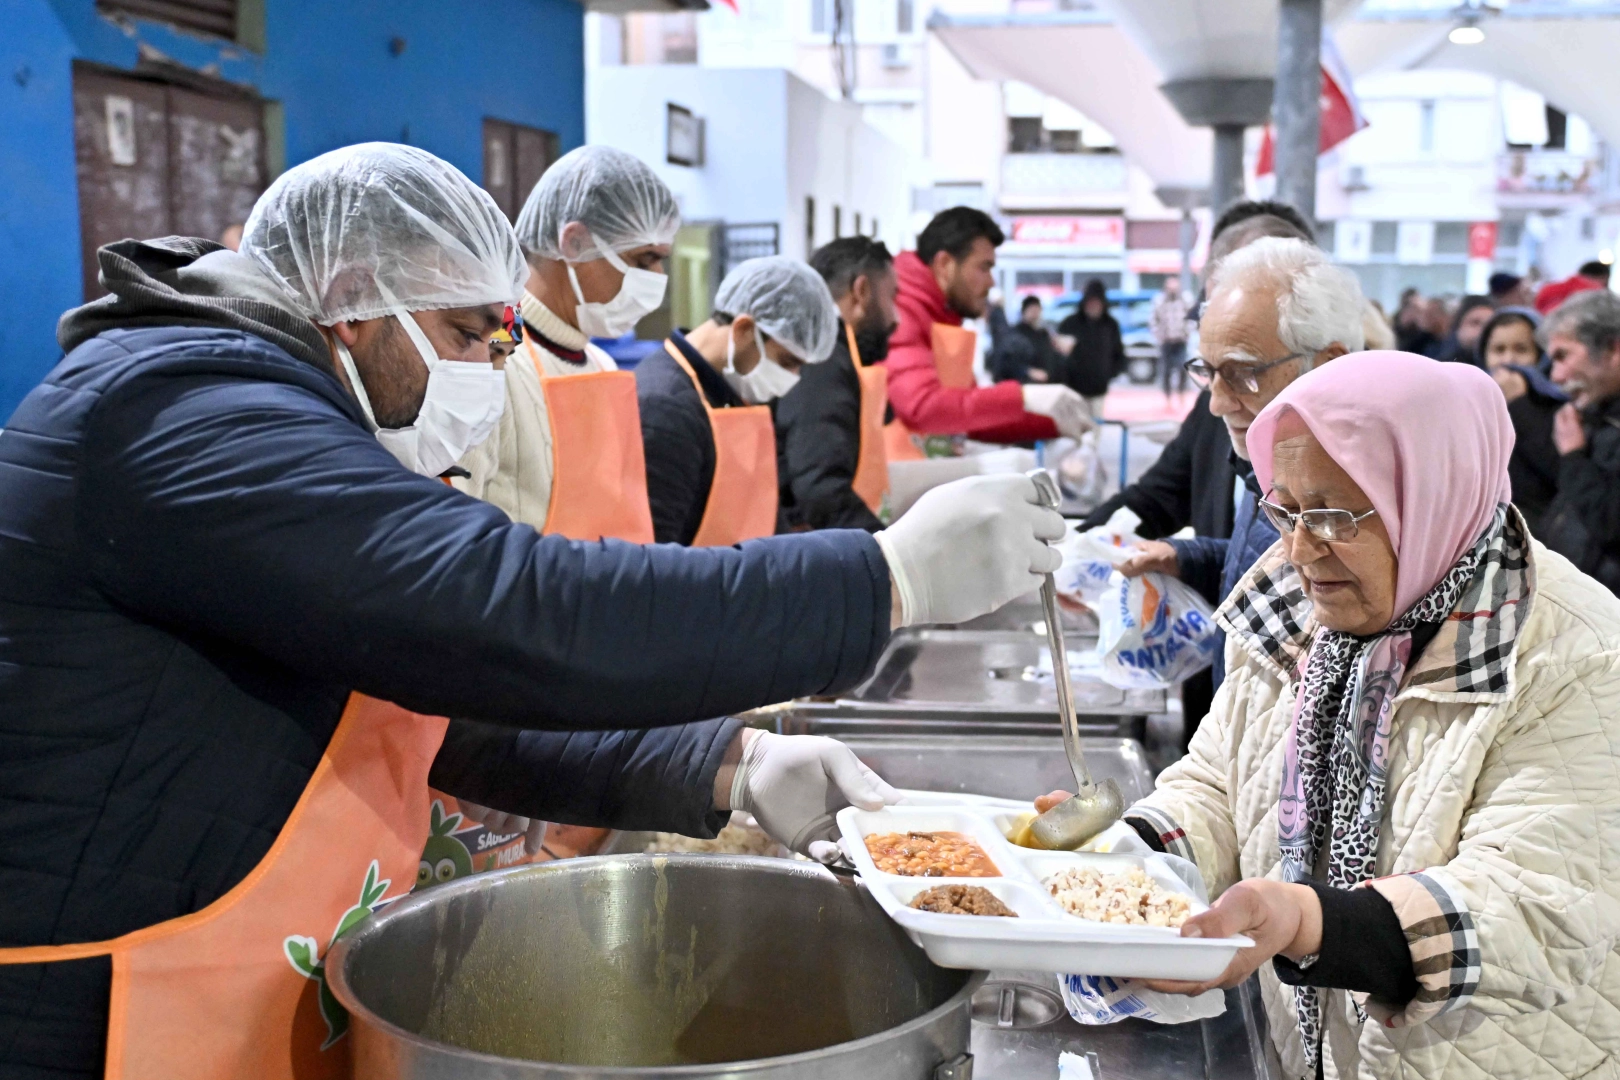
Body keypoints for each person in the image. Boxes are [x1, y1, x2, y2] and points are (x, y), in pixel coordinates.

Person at [0, 143, 1069, 1077]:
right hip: (88, 1018)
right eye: (467, 337)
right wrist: (880, 580)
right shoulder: (188, 408)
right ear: (357, 299)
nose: (484, 372)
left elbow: (445, 708)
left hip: (213, 976)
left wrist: (724, 764)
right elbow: (507, 609)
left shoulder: (243, 398)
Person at [1044, 353, 1620, 1080]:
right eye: (1284, 511)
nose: (1298, 548)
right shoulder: (1294, 601)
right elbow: (1222, 781)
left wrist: (1307, 922)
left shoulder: (1575, 656)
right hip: (1311, 1050)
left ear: (1432, 497)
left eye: (1333, 516)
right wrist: (1127, 858)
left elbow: (1540, 907)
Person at [1080, 202, 1318, 739]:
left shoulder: (1356, 443)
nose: (1219, 397)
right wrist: (1081, 546)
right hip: (1218, 695)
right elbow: (1164, 498)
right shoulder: (1220, 402)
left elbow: (1307, 571)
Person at [1119, 237, 1365, 695]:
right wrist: (1187, 558)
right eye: (1207, 371)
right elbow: (1272, 568)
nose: (1216, 403)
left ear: (1328, 364)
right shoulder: (1271, 460)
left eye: (1243, 373)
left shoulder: (1362, 502)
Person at [454, 145, 677, 538]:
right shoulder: (490, 363)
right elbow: (456, 533)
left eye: (662, 260)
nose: (658, 278)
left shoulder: (601, 365)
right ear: (574, 243)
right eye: (644, 260)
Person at [638, 256, 838, 545]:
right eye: (787, 362)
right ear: (744, 329)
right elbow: (654, 556)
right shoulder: (665, 407)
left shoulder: (728, 394)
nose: (793, 378)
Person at [886, 206, 1091, 446]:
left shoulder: (942, 314)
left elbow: (966, 416)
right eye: (984, 267)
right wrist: (1022, 396)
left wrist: (1055, 423)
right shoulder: (899, 311)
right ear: (944, 264)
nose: (991, 282)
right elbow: (922, 407)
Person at [775, 236, 899, 533]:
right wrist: (887, 548)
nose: (896, 318)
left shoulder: (829, 353)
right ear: (861, 292)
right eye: (892, 297)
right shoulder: (823, 360)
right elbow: (820, 489)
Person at [1540, 289, 1620, 592]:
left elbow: (1611, 525)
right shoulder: (1596, 415)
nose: (1557, 376)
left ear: (1612, 349)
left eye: (1563, 356)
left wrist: (1573, 456)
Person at [1478, 307, 1565, 534]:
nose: (1508, 359)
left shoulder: (1559, 403)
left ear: (1541, 354)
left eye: (1521, 349)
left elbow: (1559, 469)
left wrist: (1519, 405)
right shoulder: (1472, 403)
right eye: (1498, 350)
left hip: (1540, 530)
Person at [989, 295, 1059, 384]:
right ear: (1024, 311)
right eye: (1032, 310)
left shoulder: (1043, 334)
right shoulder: (1015, 334)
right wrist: (1027, 371)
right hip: (1023, 383)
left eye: (1037, 310)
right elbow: (1007, 363)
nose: (1035, 314)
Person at [1151, 275, 1191, 398]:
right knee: (1166, 370)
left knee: (1182, 367)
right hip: (1166, 341)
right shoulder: (1159, 301)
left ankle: (1181, 393)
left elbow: (1192, 317)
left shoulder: (1185, 300)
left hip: (1181, 341)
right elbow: (1153, 320)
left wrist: (1187, 331)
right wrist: (1158, 334)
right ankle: (1167, 396)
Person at [1433, 294, 1494, 366]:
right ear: (1458, 326)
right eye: (1475, 323)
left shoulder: (1498, 367)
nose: (1483, 330)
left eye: (1489, 324)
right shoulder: (1443, 366)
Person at [1535, 258, 1611, 315]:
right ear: (1602, 278)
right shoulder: (1598, 296)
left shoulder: (1548, 289)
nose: (1606, 287)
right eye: (1606, 283)